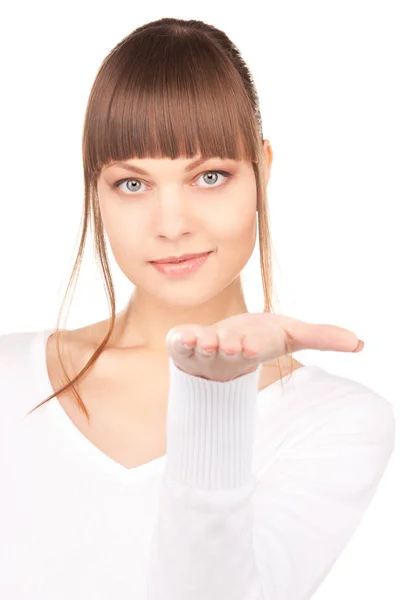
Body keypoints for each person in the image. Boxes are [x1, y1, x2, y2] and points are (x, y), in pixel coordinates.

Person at [0, 17, 395, 600]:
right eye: (133, 184)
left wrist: (215, 394)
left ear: (262, 170)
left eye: (210, 176)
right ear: (95, 190)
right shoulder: (10, 376)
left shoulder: (338, 421)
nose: (173, 225)